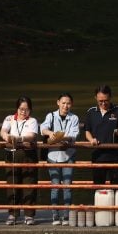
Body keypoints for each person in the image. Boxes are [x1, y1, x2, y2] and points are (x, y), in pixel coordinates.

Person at [41, 92, 80, 225]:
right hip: (53, 155)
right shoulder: (51, 116)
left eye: (68, 103)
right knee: (55, 186)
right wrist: (51, 134)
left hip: (68, 154)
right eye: (63, 103)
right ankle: (55, 215)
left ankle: (66, 215)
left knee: (67, 186)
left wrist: (62, 137)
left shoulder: (74, 118)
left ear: (71, 104)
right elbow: (43, 128)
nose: (65, 106)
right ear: (58, 103)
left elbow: (74, 135)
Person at [1, 96, 39, 225]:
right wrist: (7, 137)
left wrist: (18, 138)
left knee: (29, 184)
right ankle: (13, 214)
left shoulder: (33, 121)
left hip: (28, 155)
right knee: (12, 185)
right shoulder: (9, 118)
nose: (24, 112)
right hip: (11, 154)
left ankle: (29, 215)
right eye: (21, 109)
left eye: (27, 109)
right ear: (17, 108)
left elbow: (32, 135)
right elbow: (3, 131)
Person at [84, 84, 118, 186]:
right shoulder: (91, 112)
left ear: (110, 97)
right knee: (99, 187)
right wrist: (91, 140)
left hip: (116, 156)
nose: (103, 103)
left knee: (116, 187)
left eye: (106, 100)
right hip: (98, 155)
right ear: (96, 98)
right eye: (100, 101)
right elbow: (87, 131)